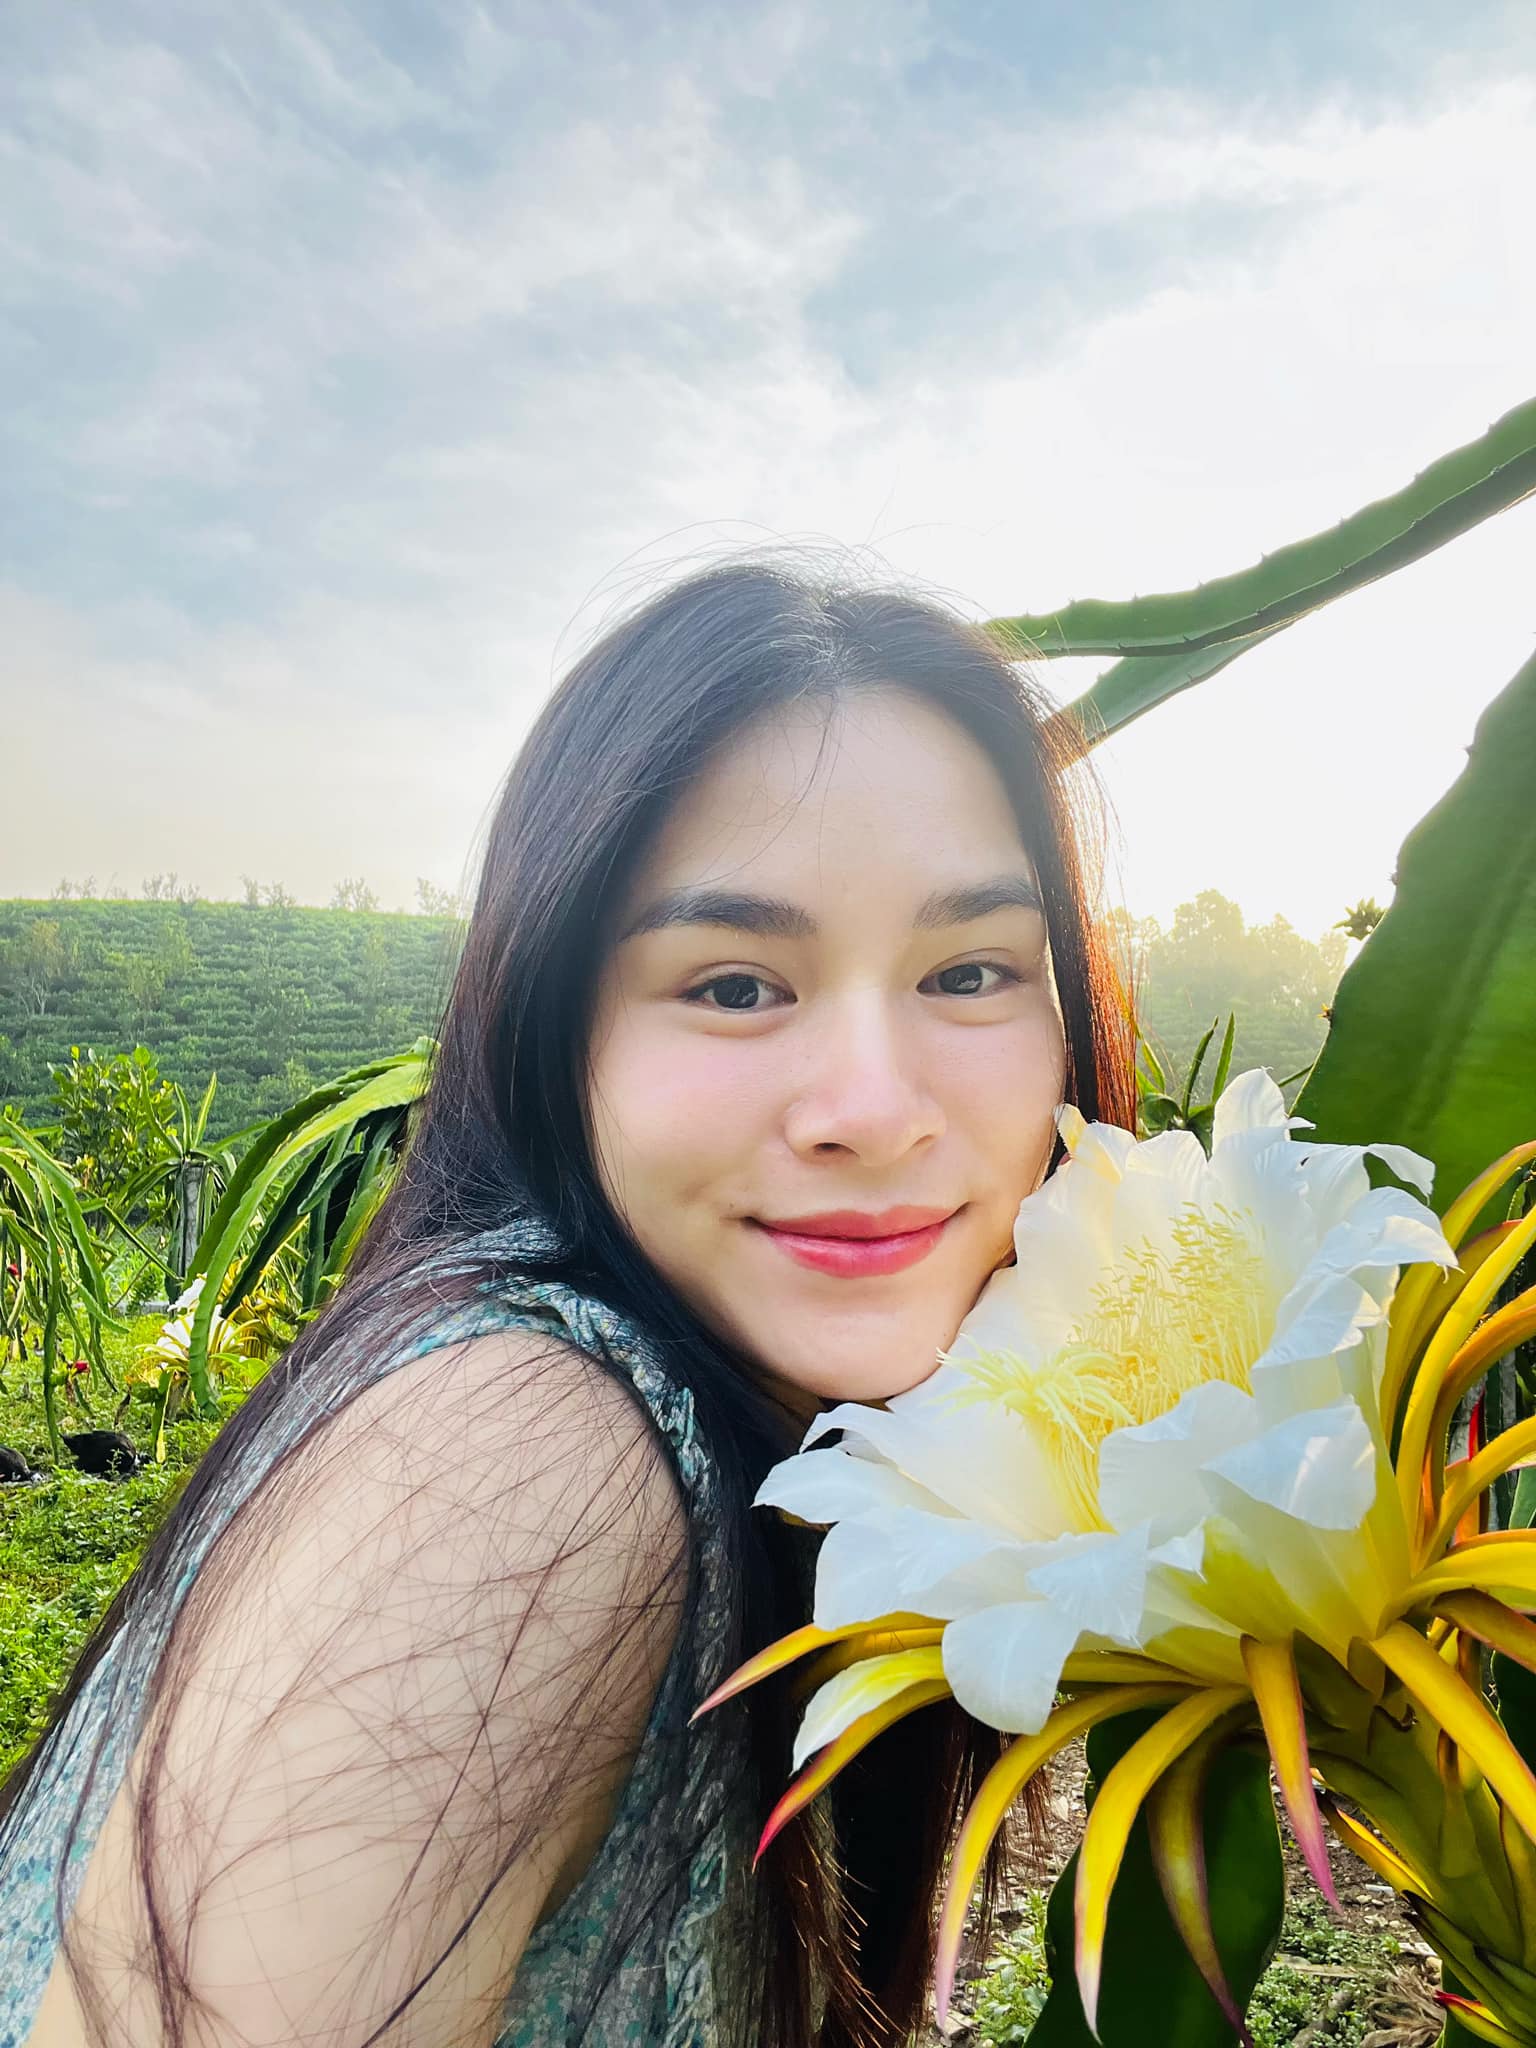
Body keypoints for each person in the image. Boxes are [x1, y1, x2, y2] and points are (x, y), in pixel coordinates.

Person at [0, 559, 1134, 2048]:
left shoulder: (810, 1460)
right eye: (735, 986)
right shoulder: (520, 1456)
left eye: (971, 971)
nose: (873, 1110)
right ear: (557, 1030)